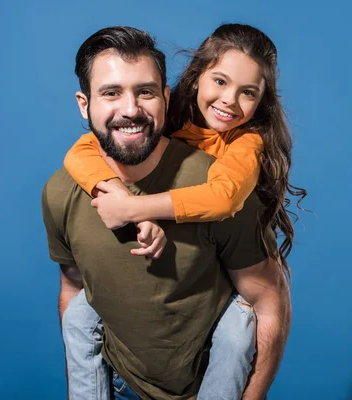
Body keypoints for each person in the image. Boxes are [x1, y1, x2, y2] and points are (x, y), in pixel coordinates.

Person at [42, 26, 292, 400]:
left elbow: (266, 302)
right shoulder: (62, 190)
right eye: (111, 93)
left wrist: (132, 207)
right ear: (84, 103)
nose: (130, 109)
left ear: (164, 96)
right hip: (119, 384)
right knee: (81, 312)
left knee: (239, 321)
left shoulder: (227, 171)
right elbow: (74, 288)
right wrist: (119, 198)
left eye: (144, 92)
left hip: (207, 387)